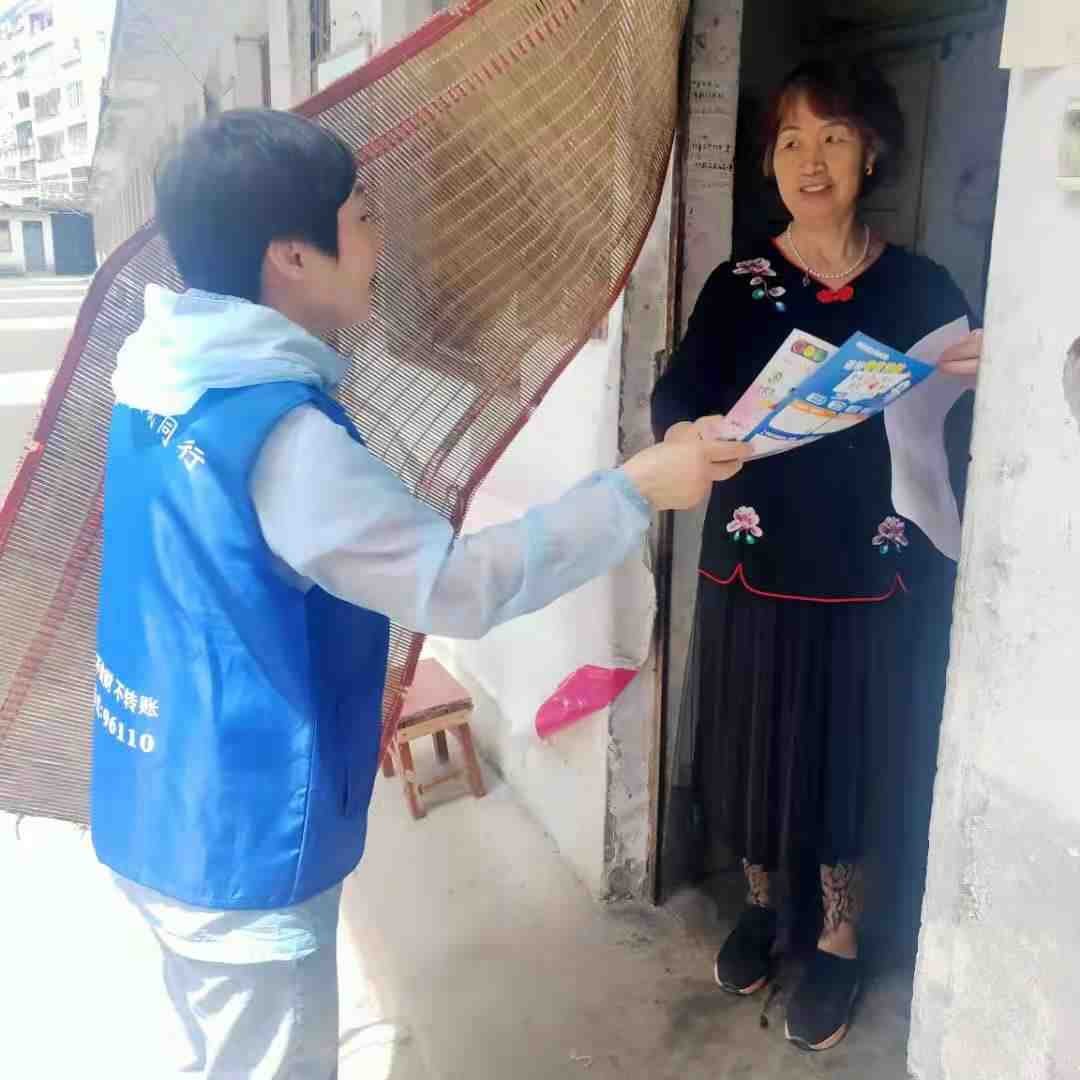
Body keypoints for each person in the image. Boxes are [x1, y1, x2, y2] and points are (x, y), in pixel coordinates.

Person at [90, 109, 748, 1079]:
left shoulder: (160, 377)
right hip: (238, 832)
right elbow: (455, 586)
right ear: (292, 257)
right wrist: (635, 490)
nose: (381, 240)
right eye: (362, 217)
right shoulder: (282, 438)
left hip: (155, 791)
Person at [651, 60, 982, 1052]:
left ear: (870, 151)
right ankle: (765, 909)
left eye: (833, 136)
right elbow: (678, 397)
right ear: (769, 161)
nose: (810, 159)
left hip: (876, 565)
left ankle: (838, 938)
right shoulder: (740, 286)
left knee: (851, 747)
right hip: (756, 557)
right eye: (790, 140)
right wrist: (691, 435)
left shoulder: (922, 287)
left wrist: (981, 373)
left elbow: (970, 425)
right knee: (757, 741)